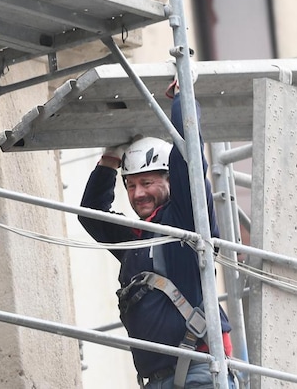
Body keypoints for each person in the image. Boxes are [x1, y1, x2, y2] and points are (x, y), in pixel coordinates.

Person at [78, 92, 234, 389]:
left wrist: (182, 97)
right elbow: (91, 215)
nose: (138, 194)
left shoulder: (184, 224)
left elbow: (188, 159)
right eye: (131, 185)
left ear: (169, 181)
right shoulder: (136, 242)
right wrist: (110, 158)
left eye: (147, 182)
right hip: (158, 382)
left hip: (198, 375)